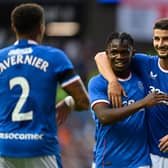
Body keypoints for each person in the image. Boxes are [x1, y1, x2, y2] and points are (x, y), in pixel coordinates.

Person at [0, 3, 89, 168]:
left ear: (13, 27)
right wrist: (69, 103)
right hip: (41, 147)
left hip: (5, 147)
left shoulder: (1, 57)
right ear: (41, 27)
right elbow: (83, 101)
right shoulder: (55, 57)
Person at [94, 18, 168, 168]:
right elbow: (101, 56)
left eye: (166, 39)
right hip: (154, 156)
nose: (160, 44)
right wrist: (112, 81)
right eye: (157, 39)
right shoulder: (146, 64)